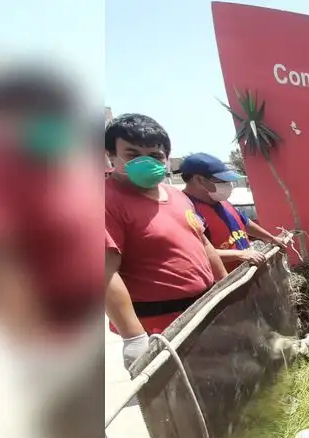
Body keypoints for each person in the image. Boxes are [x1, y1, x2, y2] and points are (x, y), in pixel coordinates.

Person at [105, 114, 227, 366]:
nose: (146, 162)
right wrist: (134, 337)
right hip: (160, 330)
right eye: (132, 154)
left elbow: (203, 244)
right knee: (180, 401)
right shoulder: (105, 201)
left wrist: (228, 292)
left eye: (155, 155)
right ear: (111, 156)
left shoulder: (177, 196)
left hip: (202, 313)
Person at [179, 152, 285, 271]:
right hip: (225, 280)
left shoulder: (220, 201)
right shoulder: (186, 210)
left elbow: (245, 223)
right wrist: (240, 255)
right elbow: (198, 253)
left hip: (246, 270)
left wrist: (271, 238)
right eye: (222, 181)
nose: (228, 185)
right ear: (199, 180)